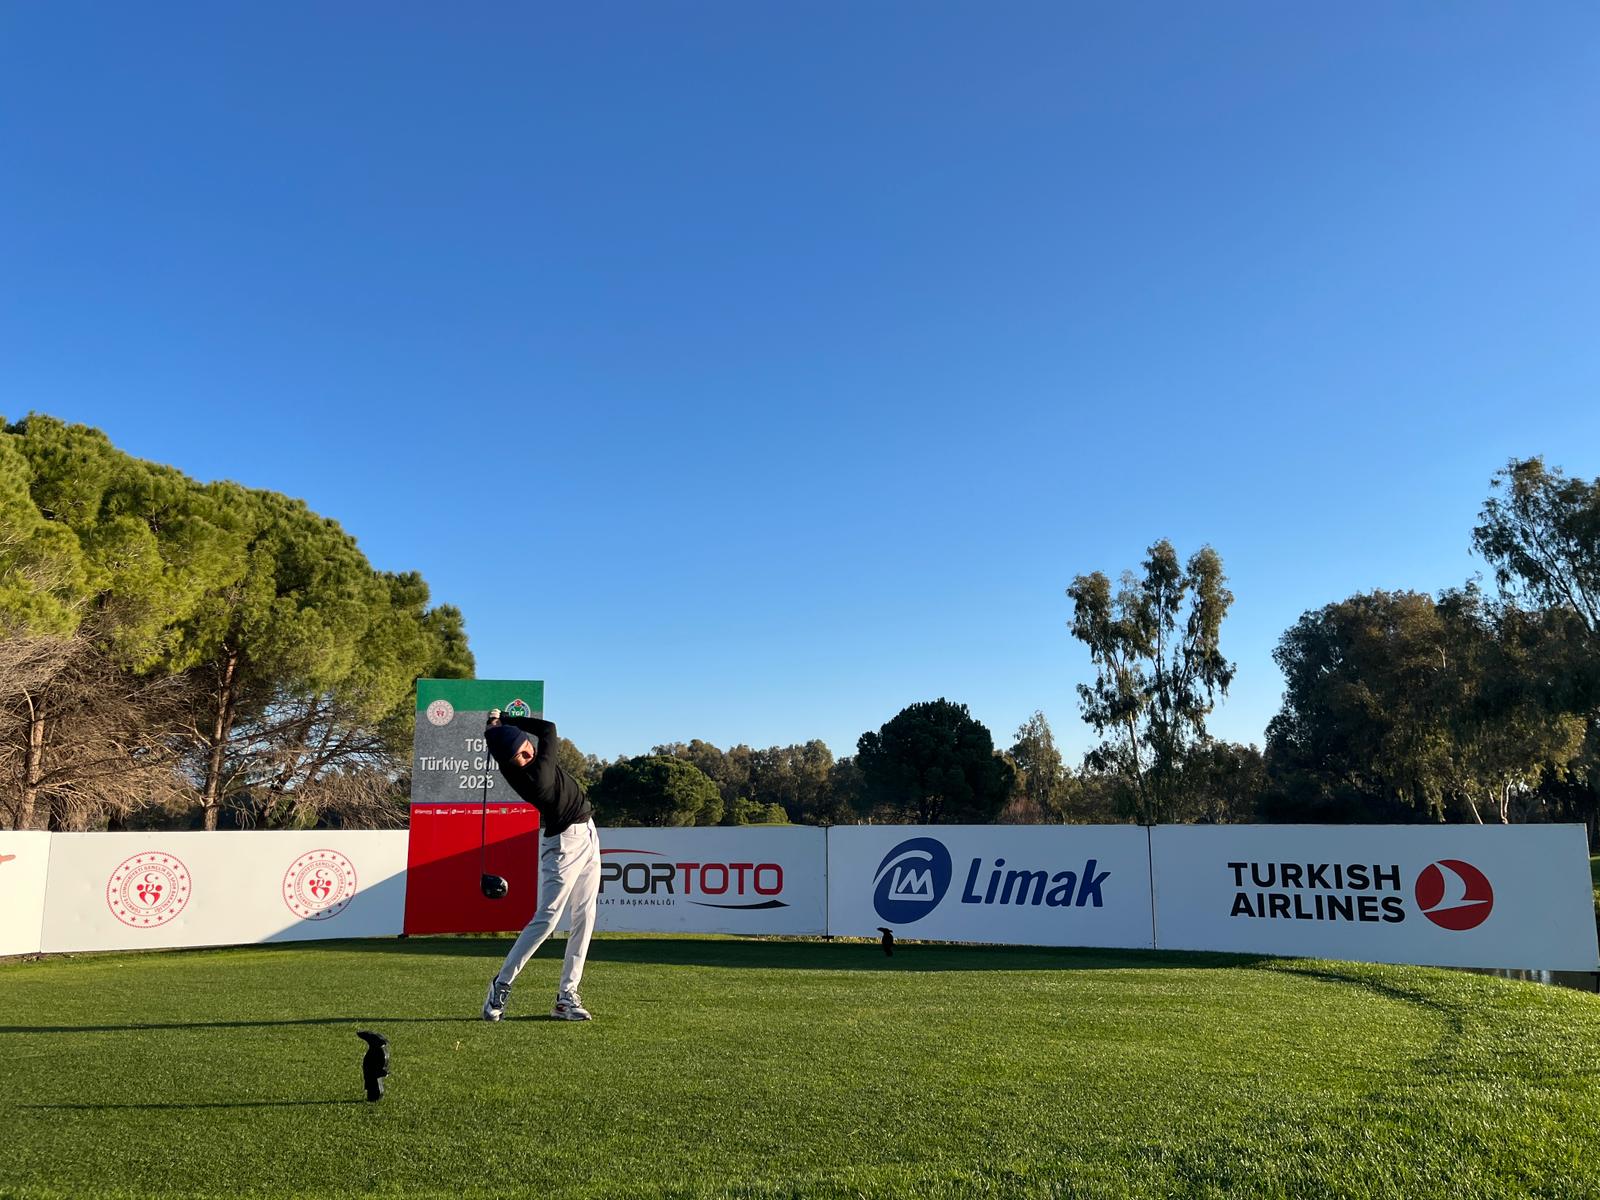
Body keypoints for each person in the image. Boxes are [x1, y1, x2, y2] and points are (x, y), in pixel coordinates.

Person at [479, 712, 600, 1022]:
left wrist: (495, 725)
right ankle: (501, 984)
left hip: (587, 833)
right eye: (519, 756)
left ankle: (566, 997)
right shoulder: (538, 775)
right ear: (510, 762)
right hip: (565, 845)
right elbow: (548, 729)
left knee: (585, 915)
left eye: (525, 748)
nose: (527, 755)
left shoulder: (513, 760)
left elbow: (497, 736)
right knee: (547, 919)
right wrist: (509, 718)